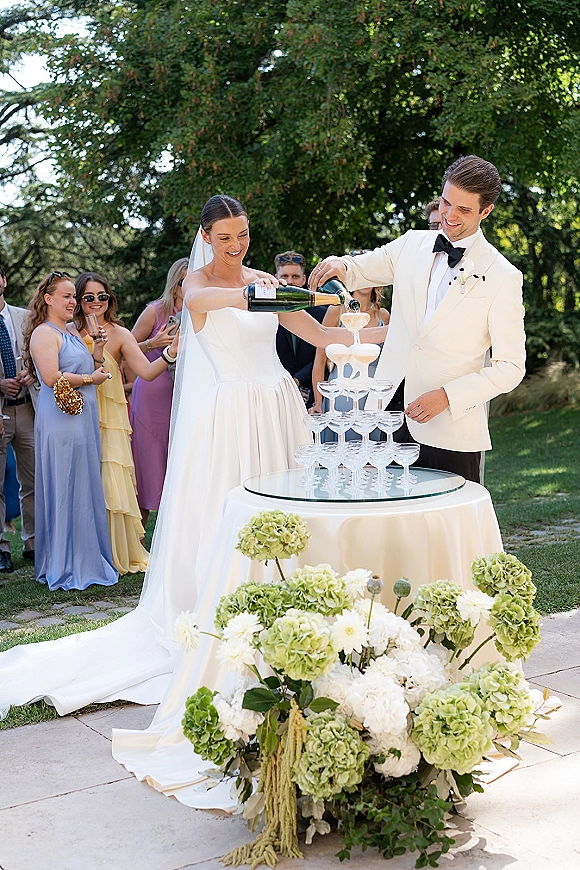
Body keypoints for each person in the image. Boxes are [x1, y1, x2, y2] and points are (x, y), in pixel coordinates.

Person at [0, 196, 387, 807]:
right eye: (227, 237)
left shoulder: (262, 281)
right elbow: (220, 304)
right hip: (230, 419)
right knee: (234, 521)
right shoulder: (199, 289)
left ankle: (294, 600)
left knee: (291, 518)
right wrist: (279, 292)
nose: (238, 246)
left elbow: (317, 332)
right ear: (206, 236)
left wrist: (376, 330)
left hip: (276, 408)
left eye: (245, 235)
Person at [308, 155, 526, 483]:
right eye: (446, 203)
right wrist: (340, 265)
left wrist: (448, 396)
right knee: (390, 521)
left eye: (463, 210)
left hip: (451, 428)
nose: (449, 217)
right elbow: (363, 266)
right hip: (389, 416)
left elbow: (511, 367)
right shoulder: (412, 243)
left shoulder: (502, 276)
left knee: (447, 528)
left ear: (486, 211)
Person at [74, 272, 179, 575]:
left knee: (111, 483)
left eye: (102, 297)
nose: (97, 303)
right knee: (83, 482)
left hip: (111, 419)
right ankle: (82, 552)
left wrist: (171, 352)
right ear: (79, 302)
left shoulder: (119, 334)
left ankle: (115, 550)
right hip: (77, 416)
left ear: (110, 300)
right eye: (89, 297)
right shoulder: (67, 332)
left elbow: (146, 372)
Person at [23, 271, 118, 590]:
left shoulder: (73, 333)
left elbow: (91, 368)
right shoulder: (44, 334)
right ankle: (64, 563)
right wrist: (92, 380)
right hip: (61, 421)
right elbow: (52, 377)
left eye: (73, 297)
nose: (73, 302)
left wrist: (99, 349)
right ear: (48, 299)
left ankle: (87, 556)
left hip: (83, 418)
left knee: (84, 484)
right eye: (67, 296)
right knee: (66, 485)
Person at [128, 258, 187, 526]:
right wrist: (154, 342)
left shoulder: (206, 313)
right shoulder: (155, 311)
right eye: (188, 282)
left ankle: (176, 534)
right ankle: (138, 537)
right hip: (153, 395)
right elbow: (125, 348)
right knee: (149, 462)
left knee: (179, 462)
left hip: (185, 396)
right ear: (175, 286)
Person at [0, 267, 39, 572]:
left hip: (27, 407)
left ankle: (33, 543)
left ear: (4, 280)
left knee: (33, 479)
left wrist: (30, 371)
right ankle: (1, 550)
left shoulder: (25, 317)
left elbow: (39, 354)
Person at [310, 285, 390, 432]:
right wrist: (318, 403)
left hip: (373, 393)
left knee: (371, 445)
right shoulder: (336, 311)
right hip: (341, 391)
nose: (365, 282)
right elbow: (320, 360)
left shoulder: (383, 316)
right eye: (362, 277)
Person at [274, 250, 327, 407]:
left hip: (312, 395)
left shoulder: (322, 313)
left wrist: (298, 379)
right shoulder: (266, 314)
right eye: (285, 276)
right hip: (275, 392)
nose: (290, 281)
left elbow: (324, 354)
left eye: (295, 276)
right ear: (276, 278)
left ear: (304, 279)